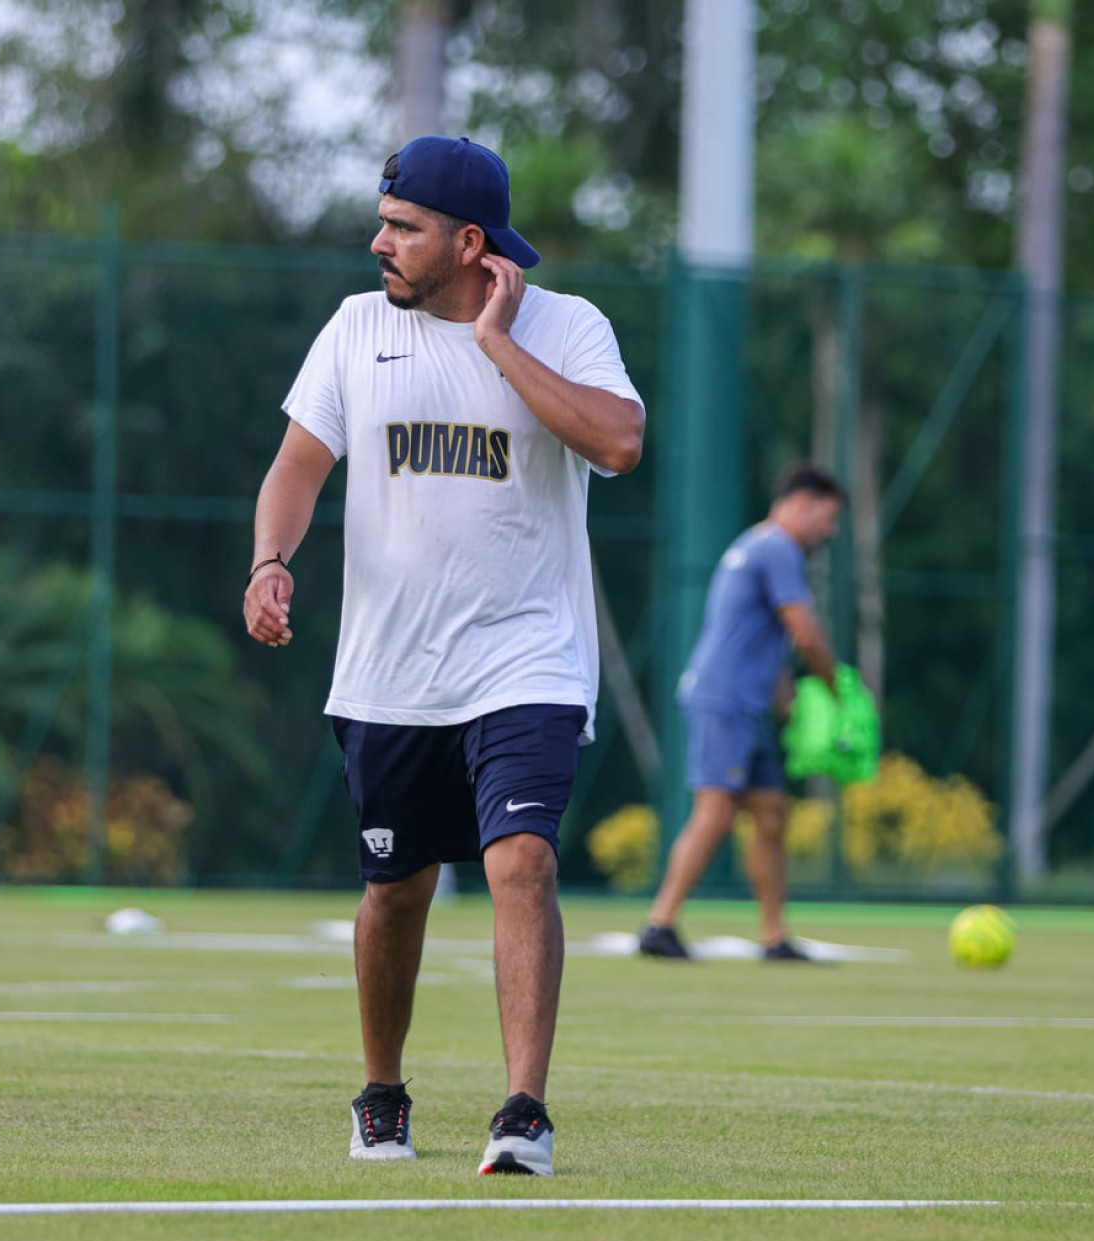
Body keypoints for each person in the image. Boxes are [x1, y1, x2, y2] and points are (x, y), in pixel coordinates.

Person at [242, 135, 645, 1176]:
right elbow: (298, 463)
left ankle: (523, 1113)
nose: (380, 242)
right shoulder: (354, 328)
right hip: (391, 672)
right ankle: (382, 1094)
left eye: (403, 227)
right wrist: (270, 562)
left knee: (524, 858)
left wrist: (498, 343)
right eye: (383, 222)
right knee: (397, 889)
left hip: (527, 658)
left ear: (469, 243)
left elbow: (618, 442)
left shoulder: (569, 327)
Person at [637, 464, 845, 963]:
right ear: (802, 504)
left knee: (771, 813)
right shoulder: (779, 548)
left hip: (744, 704)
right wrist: (840, 691)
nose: (830, 531)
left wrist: (790, 704)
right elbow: (805, 632)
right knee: (716, 812)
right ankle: (659, 924)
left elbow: (760, 642)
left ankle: (774, 937)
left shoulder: (755, 544)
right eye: (827, 518)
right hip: (724, 702)